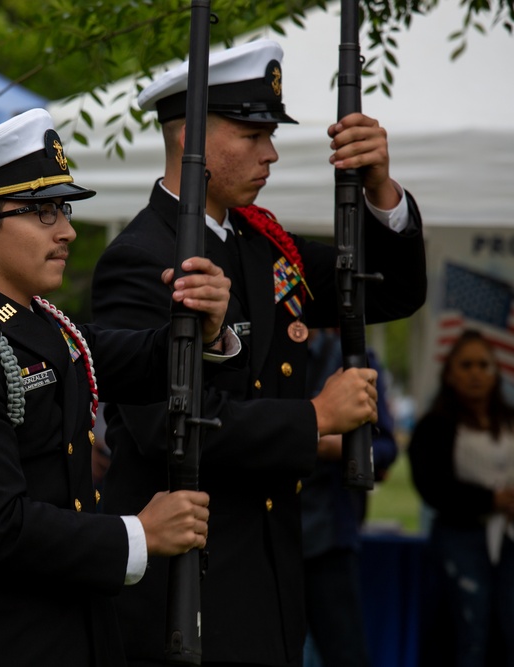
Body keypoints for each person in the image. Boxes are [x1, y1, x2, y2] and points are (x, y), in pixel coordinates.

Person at [91, 40, 427, 667]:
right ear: (191, 136)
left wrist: (381, 188)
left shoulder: (262, 246)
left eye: (269, 133)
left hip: (269, 578)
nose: (270, 152)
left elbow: (390, 291)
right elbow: (166, 425)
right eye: (251, 133)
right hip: (186, 588)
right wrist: (315, 418)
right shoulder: (139, 258)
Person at [0, 108, 236, 667]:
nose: (66, 229)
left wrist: (206, 329)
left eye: (62, 208)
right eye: (41, 212)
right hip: (0, 643)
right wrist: (136, 534)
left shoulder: (40, 323)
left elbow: (122, 357)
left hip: (75, 631)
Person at [409, 329, 514, 667]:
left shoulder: (509, 420)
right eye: (466, 365)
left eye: (483, 365)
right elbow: (432, 486)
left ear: (496, 372)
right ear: (450, 373)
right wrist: (491, 500)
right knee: (471, 630)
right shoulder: (434, 426)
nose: (475, 373)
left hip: (509, 538)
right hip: (461, 538)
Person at [300, 329, 397, 667]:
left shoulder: (349, 358)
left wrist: (340, 448)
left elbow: (386, 447)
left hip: (328, 535)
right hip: (269, 534)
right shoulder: (259, 351)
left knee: (345, 651)